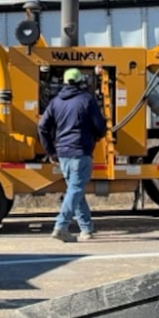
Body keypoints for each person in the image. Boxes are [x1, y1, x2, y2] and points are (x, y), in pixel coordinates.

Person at [37, 68, 108, 242]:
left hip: (63, 153)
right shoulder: (87, 100)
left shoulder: (55, 102)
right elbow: (100, 126)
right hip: (80, 151)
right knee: (76, 189)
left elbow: (42, 127)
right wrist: (97, 137)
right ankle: (61, 226)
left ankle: (86, 229)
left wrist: (51, 151)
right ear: (80, 82)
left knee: (75, 190)